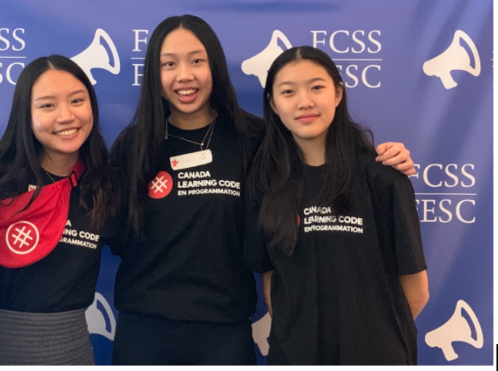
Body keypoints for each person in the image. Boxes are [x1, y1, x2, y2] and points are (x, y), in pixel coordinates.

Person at [109, 14, 416, 365]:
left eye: (197, 60)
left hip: (223, 330)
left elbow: (318, 164)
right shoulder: (132, 146)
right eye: (169, 64)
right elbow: (115, 233)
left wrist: (386, 157)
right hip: (143, 327)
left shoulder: (254, 140)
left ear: (215, 66)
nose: (185, 75)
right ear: (154, 73)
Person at [243, 46, 429, 365]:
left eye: (317, 87)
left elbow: (416, 290)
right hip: (296, 356)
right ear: (273, 104)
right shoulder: (265, 185)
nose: (305, 102)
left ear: (338, 94)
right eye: (288, 92)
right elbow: (272, 278)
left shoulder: (383, 176)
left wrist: (369, 340)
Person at [0, 55, 123, 365]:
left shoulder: (107, 186)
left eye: (77, 100)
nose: (66, 116)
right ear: (25, 113)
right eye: (47, 105)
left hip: (69, 351)